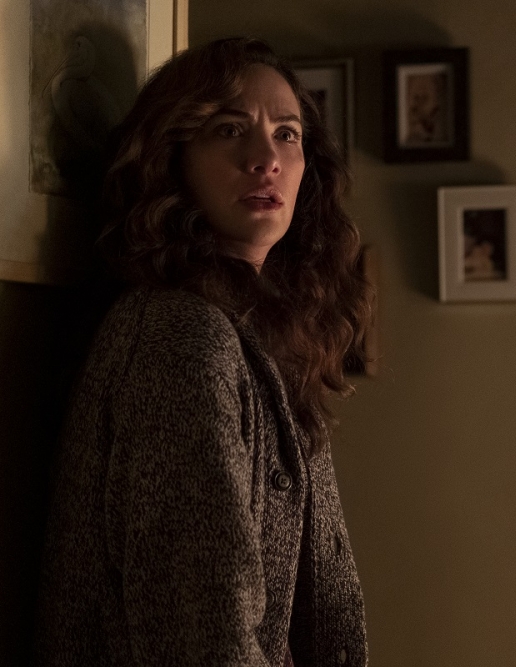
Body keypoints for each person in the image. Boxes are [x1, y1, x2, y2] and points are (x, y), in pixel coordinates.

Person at [36, 38, 372, 666]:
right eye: (229, 129)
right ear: (174, 157)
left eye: (287, 134)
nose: (265, 159)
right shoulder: (180, 336)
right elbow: (203, 632)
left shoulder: (266, 332)